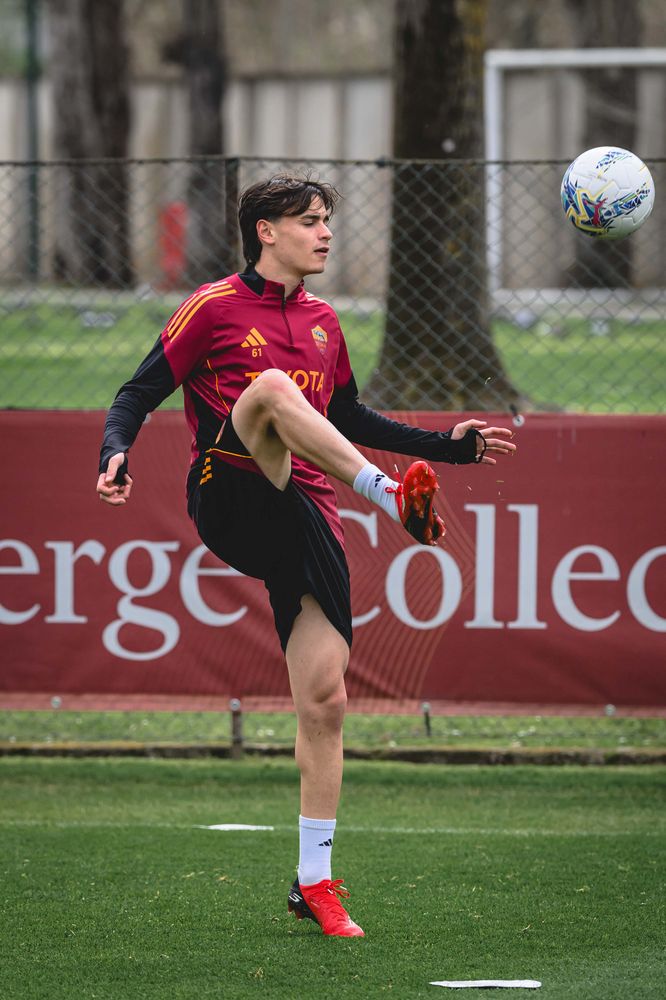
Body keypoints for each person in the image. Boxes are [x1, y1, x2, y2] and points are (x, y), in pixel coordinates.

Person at [96, 174, 516, 938]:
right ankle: (391, 502)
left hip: (306, 507)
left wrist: (444, 449)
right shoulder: (213, 305)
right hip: (229, 483)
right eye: (309, 222)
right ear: (266, 231)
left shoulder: (325, 319)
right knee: (270, 390)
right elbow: (136, 392)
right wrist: (115, 450)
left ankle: (313, 882)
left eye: (326, 221)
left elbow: (346, 413)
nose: (325, 234)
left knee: (326, 703)